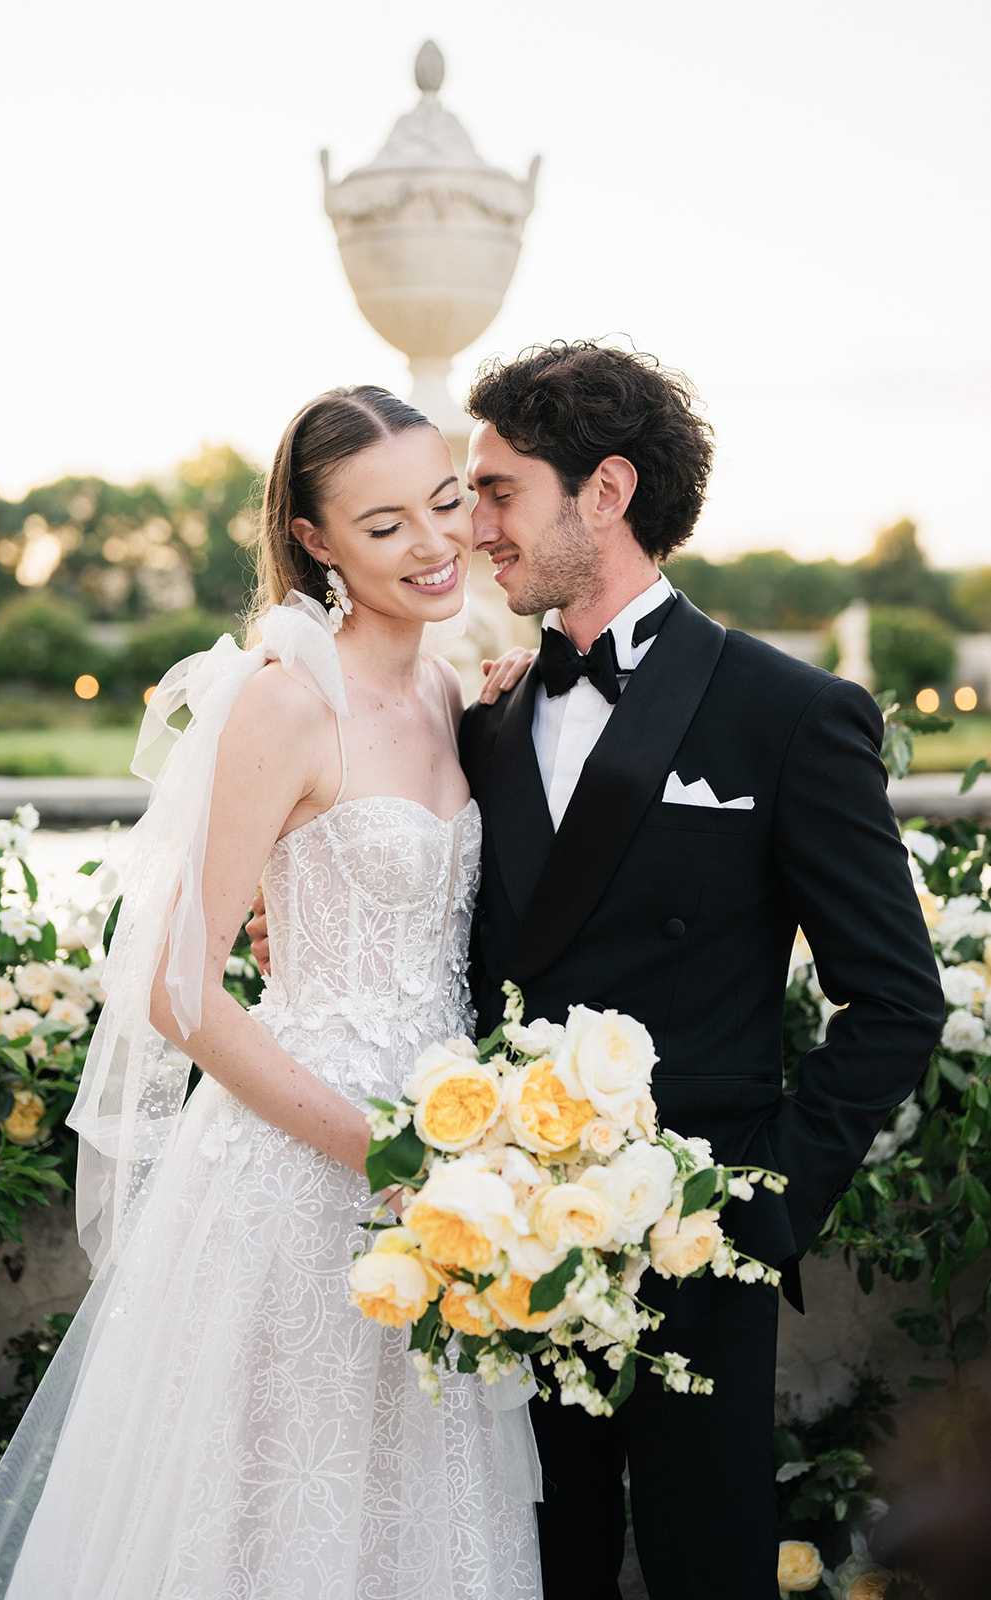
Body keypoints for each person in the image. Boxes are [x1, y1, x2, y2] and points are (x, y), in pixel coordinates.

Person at [0, 386, 541, 1600]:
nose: (433, 546)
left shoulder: (456, 686)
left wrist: (452, 1163)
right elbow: (176, 986)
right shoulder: (283, 698)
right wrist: (375, 1149)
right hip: (300, 1180)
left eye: (444, 503)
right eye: (384, 527)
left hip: (451, 1182)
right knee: (278, 1530)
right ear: (315, 540)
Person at [458, 340, 945, 1599]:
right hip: (499, 1238)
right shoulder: (483, 722)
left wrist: (762, 1206)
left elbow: (894, 997)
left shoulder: (788, 712)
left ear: (606, 492)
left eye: (500, 491)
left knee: (704, 1566)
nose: (476, 527)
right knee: (527, 1562)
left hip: (696, 1238)